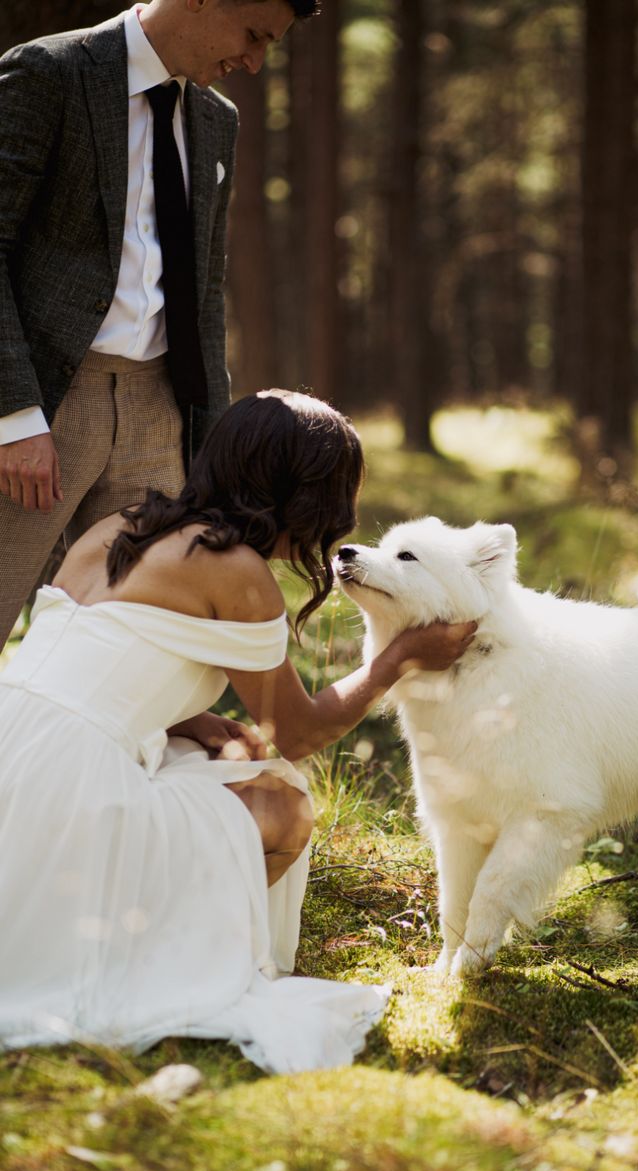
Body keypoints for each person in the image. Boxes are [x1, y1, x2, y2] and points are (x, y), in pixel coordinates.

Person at [0, 390, 477, 1072]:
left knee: (218, 759)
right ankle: (166, 958)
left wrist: (199, 719)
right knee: (284, 804)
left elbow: (92, 658)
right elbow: (302, 731)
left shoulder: (117, 525)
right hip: (72, 790)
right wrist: (395, 660)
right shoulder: (239, 574)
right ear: (303, 497)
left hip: (12, 742)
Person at [0, 0, 312, 651]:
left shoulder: (214, 119)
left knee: (134, 636)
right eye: (253, 35)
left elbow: (206, 295)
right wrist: (15, 415)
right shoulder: (49, 73)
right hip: (49, 405)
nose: (254, 62)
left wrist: (209, 448)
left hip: (157, 411)